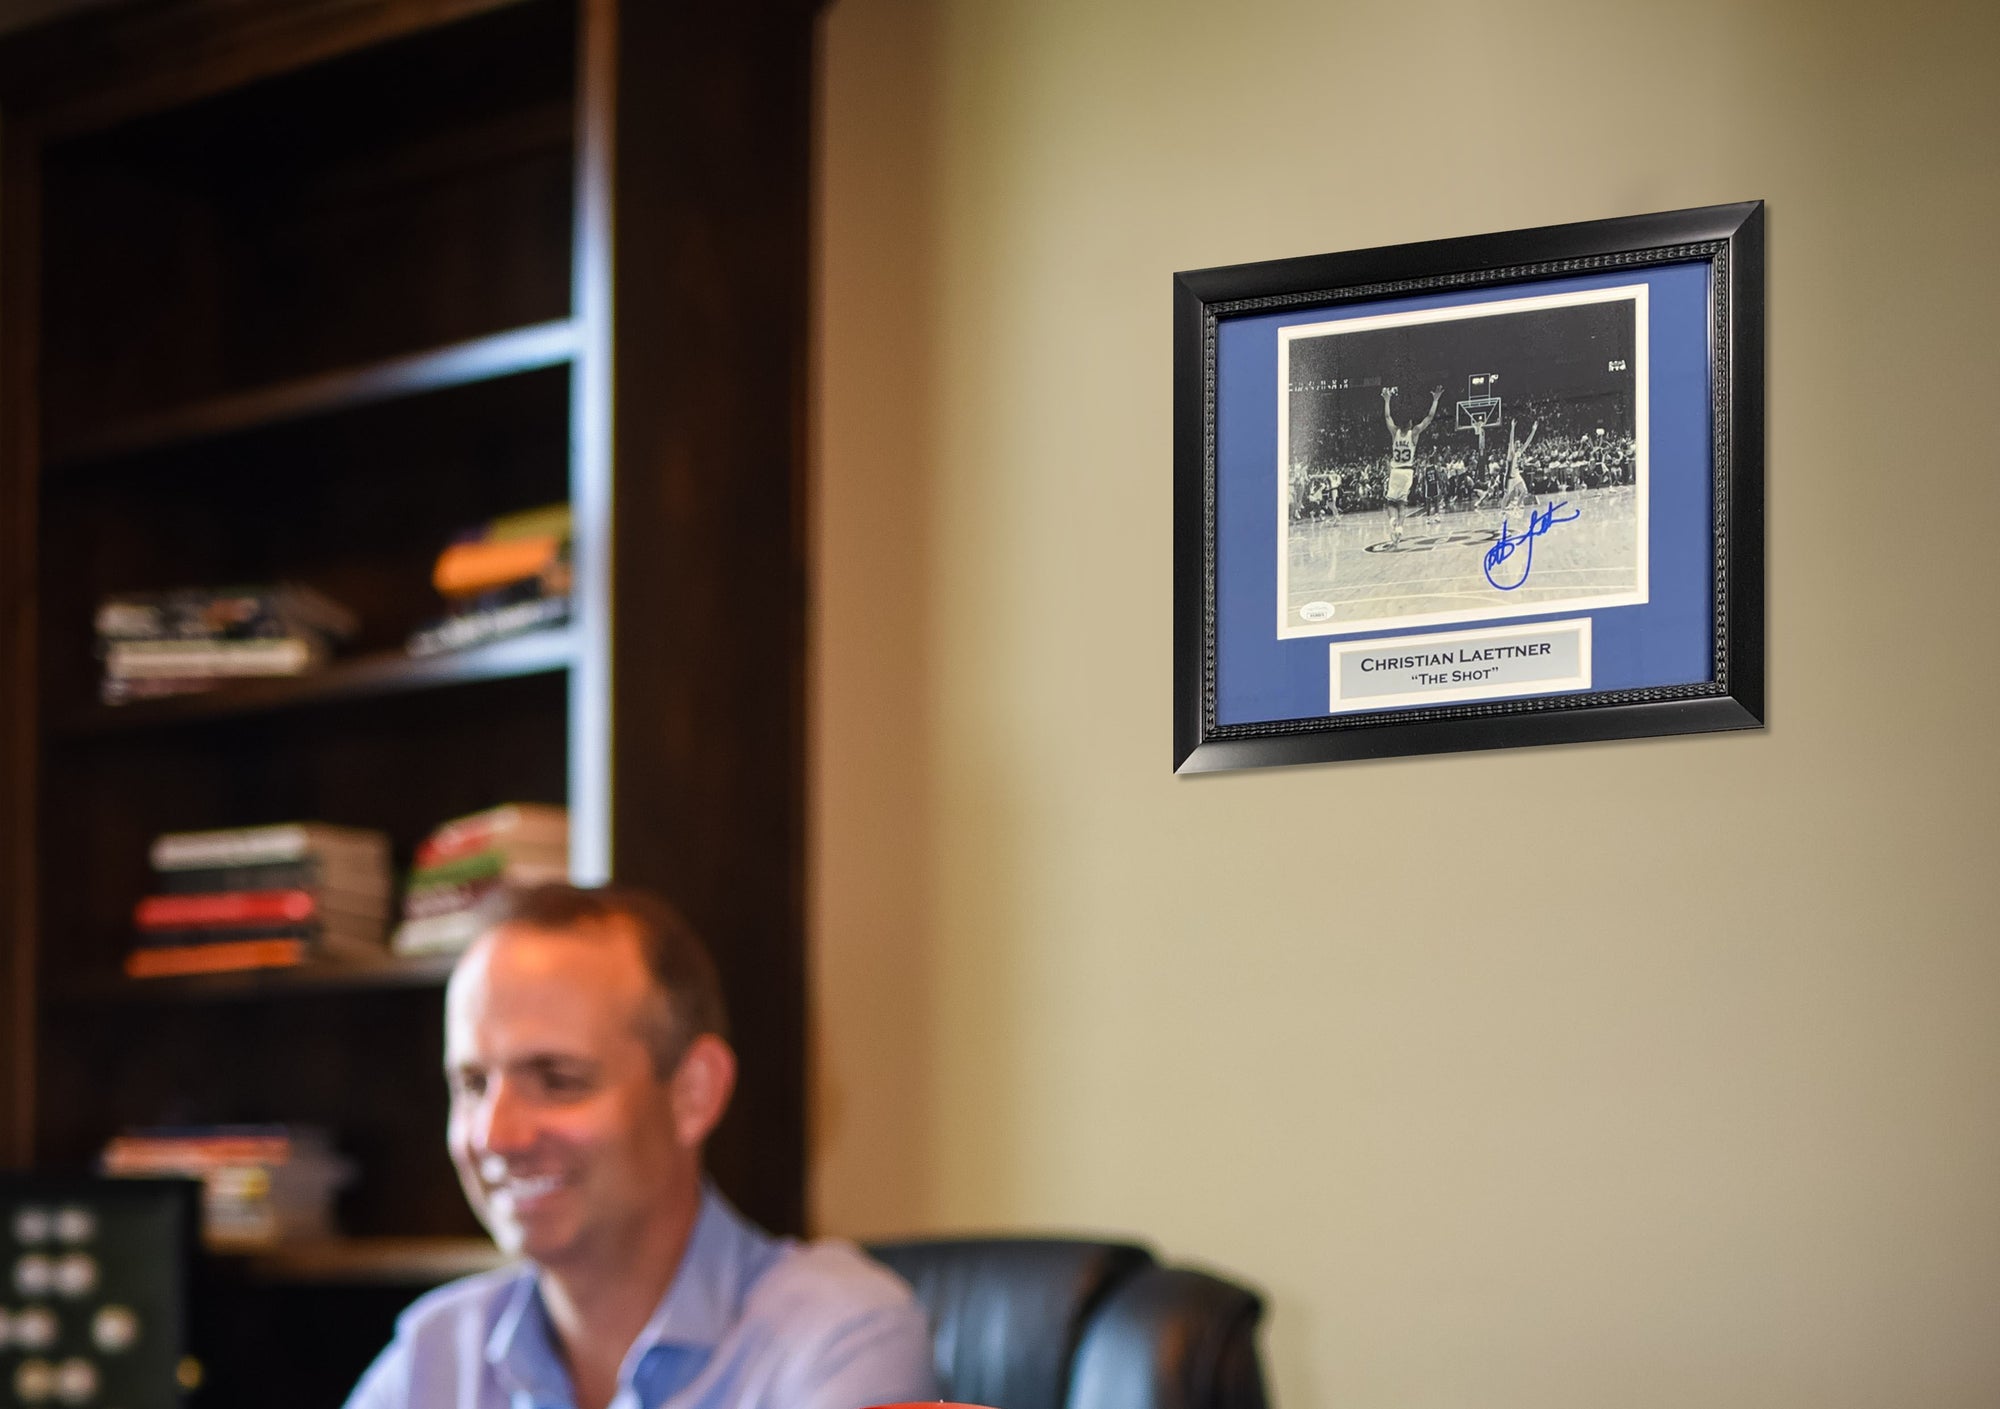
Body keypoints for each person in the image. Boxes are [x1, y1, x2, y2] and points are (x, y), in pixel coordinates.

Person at [344, 884, 938, 1409]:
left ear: (693, 1094)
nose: (494, 1136)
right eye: (473, 1085)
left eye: (557, 1080)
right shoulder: (436, 1353)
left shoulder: (840, 1338)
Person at [1379, 384, 1443, 544]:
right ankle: (1400, 527)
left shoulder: (1394, 432)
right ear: (1409, 423)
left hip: (1395, 471)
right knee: (1402, 504)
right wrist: (1435, 400)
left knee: (1390, 504)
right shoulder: (1414, 434)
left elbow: (1387, 417)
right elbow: (1429, 418)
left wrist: (1387, 400)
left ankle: (1393, 523)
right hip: (1408, 472)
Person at [1495, 416, 1540, 518]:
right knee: (1506, 496)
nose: (1519, 445)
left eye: (1519, 444)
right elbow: (1510, 441)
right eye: (1517, 444)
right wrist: (1512, 428)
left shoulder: (1519, 452)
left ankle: (1517, 507)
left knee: (1524, 491)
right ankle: (1501, 511)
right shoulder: (1511, 454)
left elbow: (1528, 442)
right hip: (1509, 478)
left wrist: (1533, 430)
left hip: (1517, 476)